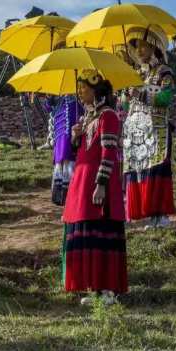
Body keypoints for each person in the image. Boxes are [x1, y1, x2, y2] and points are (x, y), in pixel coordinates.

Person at [63, 69, 127, 306]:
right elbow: (79, 152)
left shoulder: (108, 116)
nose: (80, 93)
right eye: (79, 89)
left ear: (95, 90)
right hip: (81, 183)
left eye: (83, 89)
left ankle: (108, 289)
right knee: (87, 234)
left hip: (99, 184)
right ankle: (93, 287)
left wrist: (101, 184)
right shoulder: (87, 118)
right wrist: (75, 137)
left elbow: (109, 152)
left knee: (102, 233)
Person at [122, 26, 176, 229]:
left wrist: (141, 94)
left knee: (156, 170)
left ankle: (160, 215)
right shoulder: (135, 75)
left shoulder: (165, 72)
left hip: (157, 130)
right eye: (137, 47)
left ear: (155, 48)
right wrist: (126, 95)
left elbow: (166, 97)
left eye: (144, 46)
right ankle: (143, 213)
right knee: (139, 171)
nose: (140, 51)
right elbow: (126, 105)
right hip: (137, 131)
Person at [43, 94, 82, 206]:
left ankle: (68, 195)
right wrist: (49, 98)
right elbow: (48, 108)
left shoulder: (77, 103)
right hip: (59, 138)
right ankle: (58, 195)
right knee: (59, 163)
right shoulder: (59, 101)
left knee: (68, 162)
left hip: (69, 137)